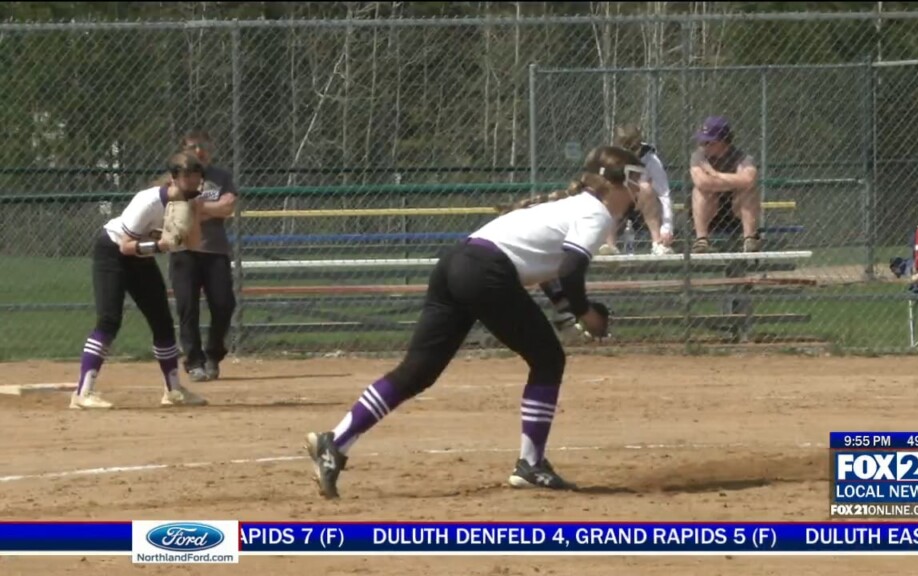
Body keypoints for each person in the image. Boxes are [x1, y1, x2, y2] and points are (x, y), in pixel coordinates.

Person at [303, 146, 646, 499]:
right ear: (615, 184)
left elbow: (547, 267)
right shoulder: (596, 214)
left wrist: (564, 308)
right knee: (548, 360)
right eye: (635, 179)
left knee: (416, 372)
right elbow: (571, 270)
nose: (639, 189)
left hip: (456, 262)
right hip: (486, 272)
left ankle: (337, 441)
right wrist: (586, 313)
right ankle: (531, 465)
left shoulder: (567, 206)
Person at [70, 152, 210, 410]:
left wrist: (192, 219)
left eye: (196, 177)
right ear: (173, 179)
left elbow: (192, 243)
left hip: (141, 258)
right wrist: (160, 245)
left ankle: (173, 391)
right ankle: (82, 393)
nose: (193, 182)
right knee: (109, 319)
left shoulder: (190, 202)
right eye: (187, 177)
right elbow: (125, 247)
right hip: (112, 252)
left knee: (162, 322)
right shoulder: (148, 202)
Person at [169, 130, 239, 382]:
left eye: (204, 146)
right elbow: (177, 209)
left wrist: (197, 207)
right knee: (188, 307)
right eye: (193, 147)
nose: (199, 151)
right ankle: (194, 361)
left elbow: (228, 207)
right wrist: (212, 209)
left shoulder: (221, 176)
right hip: (184, 250)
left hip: (214, 250)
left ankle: (213, 354)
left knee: (223, 304)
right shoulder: (176, 175)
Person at [598, 124, 674, 256]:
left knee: (645, 187)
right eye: (624, 149)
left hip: (644, 206)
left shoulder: (651, 160)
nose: (629, 154)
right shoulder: (610, 159)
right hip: (619, 206)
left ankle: (657, 243)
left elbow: (664, 193)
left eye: (633, 149)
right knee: (610, 191)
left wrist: (667, 227)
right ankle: (609, 245)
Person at [689, 116, 761, 253]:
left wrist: (715, 175)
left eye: (708, 142)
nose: (703, 145)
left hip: (736, 209)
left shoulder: (743, 157)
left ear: (722, 141)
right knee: (700, 191)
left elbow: (749, 180)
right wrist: (735, 181)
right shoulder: (698, 156)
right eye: (703, 142)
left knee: (749, 191)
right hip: (709, 210)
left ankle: (750, 239)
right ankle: (701, 240)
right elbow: (702, 182)